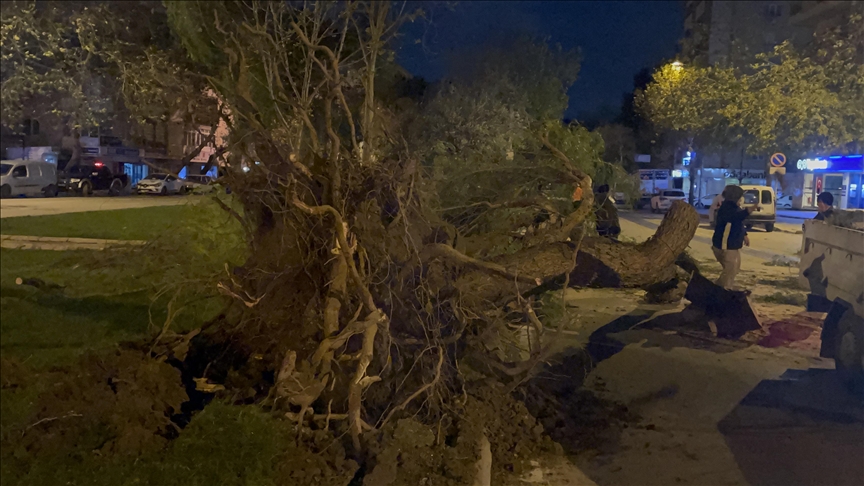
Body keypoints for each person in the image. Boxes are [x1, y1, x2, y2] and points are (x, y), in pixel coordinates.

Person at [711, 185, 760, 289]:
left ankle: (720, 287)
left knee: (733, 268)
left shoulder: (733, 207)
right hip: (725, 244)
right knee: (731, 269)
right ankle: (723, 289)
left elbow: (737, 222)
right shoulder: (727, 208)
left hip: (732, 244)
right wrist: (748, 211)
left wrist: (744, 235)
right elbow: (734, 217)